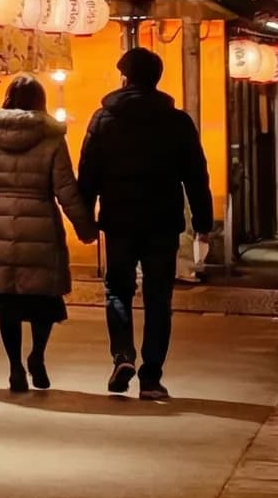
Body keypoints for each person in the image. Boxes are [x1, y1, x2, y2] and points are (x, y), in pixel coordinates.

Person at [76, 45, 214, 401]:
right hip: (162, 222)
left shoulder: (103, 119)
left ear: (125, 77)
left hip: (119, 220)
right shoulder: (177, 121)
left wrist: (85, 218)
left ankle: (123, 355)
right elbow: (196, 174)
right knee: (157, 297)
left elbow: (88, 171)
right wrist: (203, 219)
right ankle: (151, 377)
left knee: (118, 290)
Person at [0, 75, 97, 392]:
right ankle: (36, 356)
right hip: (40, 226)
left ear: (8, 99)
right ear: (40, 102)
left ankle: (14, 368)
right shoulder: (51, 139)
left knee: (7, 304)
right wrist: (84, 227)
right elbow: (65, 188)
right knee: (42, 300)